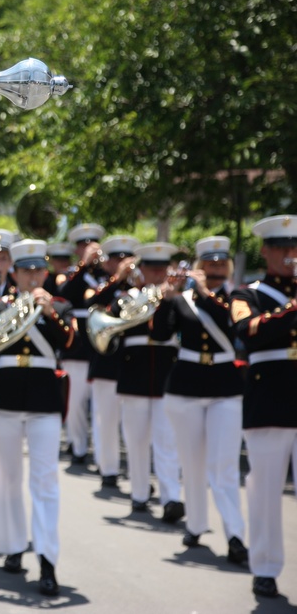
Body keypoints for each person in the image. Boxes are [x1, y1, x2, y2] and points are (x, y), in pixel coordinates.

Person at [0, 239, 75, 595]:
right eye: (26, 270)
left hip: (43, 399)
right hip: (3, 394)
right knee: (5, 479)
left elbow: (69, 344)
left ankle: (48, 560)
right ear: (14, 273)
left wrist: (48, 312)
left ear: (46, 272)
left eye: (38, 270)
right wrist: (15, 310)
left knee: (45, 482)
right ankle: (13, 547)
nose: (32, 276)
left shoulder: (61, 306)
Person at [153, 236, 247, 564]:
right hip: (186, 386)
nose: (216, 270)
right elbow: (160, 335)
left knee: (223, 466)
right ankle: (195, 523)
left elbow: (235, 327)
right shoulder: (182, 300)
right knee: (191, 463)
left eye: (221, 265)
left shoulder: (239, 296)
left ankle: (235, 535)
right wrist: (165, 299)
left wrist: (207, 294)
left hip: (224, 386)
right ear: (199, 266)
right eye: (210, 265)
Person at [229, 214, 297, 599]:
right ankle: (266, 567)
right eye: (282, 248)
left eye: (294, 248)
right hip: (269, 398)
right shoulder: (248, 294)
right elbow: (247, 331)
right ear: (266, 251)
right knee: (267, 490)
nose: (290, 255)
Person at [116, 242, 183, 520]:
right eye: (151, 268)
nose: (157, 274)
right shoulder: (127, 297)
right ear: (141, 270)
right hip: (134, 375)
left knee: (166, 441)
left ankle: (170, 499)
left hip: (165, 376)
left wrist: (169, 300)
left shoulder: (176, 300)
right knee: (136, 440)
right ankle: (140, 494)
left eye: (161, 269)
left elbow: (168, 331)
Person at [83, 234, 139, 488]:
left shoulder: (141, 287)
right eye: (116, 258)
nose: (122, 262)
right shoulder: (101, 284)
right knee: (106, 420)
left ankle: (136, 474)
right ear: (107, 263)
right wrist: (118, 279)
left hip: (134, 363)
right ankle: (109, 469)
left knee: (134, 423)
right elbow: (91, 304)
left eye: (126, 258)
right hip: (106, 362)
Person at [56, 223, 106, 465]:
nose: (89, 248)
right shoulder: (70, 274)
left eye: (92, 244)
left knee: (101, 408)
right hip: (77, 350)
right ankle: (78, 447)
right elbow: (65, 293)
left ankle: (102, 455)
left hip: (101, 350)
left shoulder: (106, 275)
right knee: (75, 404)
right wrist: (84, 264)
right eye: (83, 245)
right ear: (77, 249)